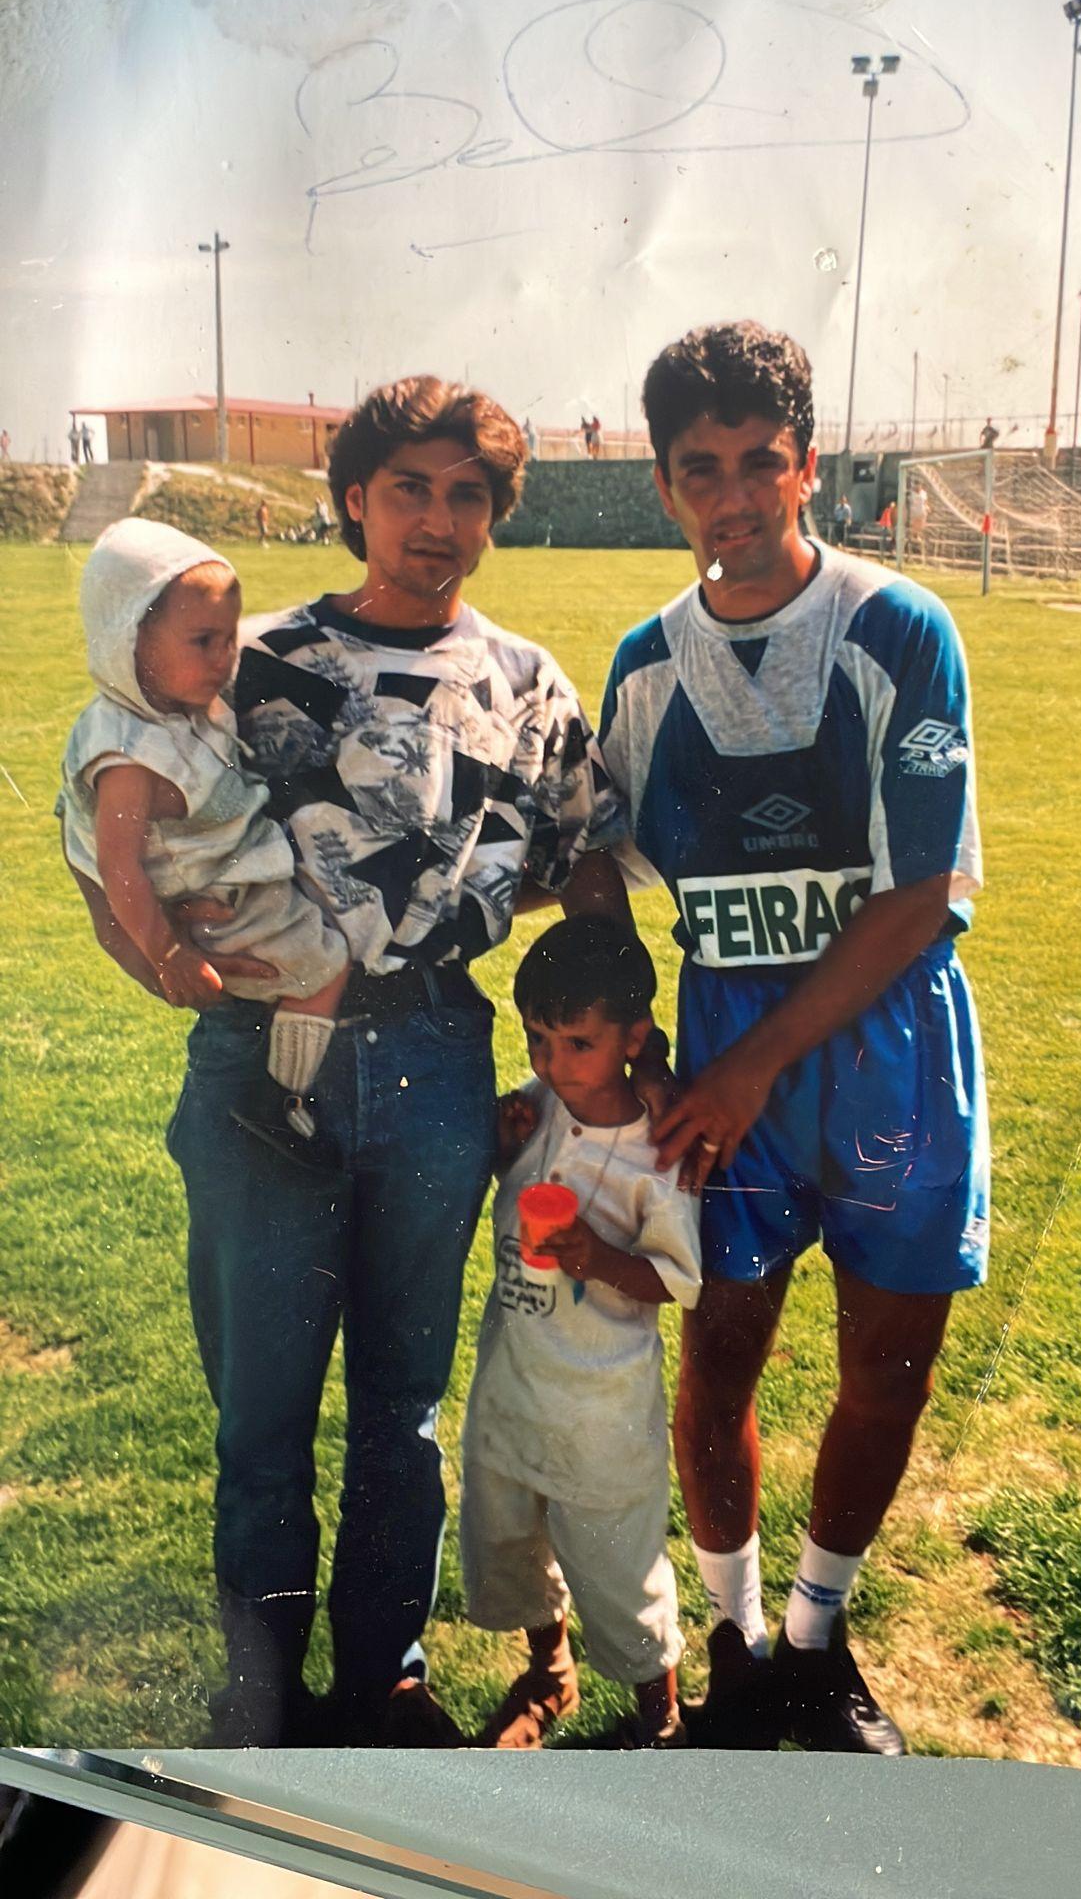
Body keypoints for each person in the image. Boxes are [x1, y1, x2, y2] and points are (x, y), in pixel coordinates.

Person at [69, 376, 640, 1749]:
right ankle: (260, 1688)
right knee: (261, 1413)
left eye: (466, 495)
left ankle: (383, 1677)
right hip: (263, 1062)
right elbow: (101, 834)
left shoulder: (527, 687)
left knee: (402, 1404)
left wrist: (624, 1043)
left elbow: (588, 869)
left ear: (496, 516)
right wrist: (166, 966)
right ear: (352, 502)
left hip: (438, 1061)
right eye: (408, 489)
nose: (435, 521)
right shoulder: (241, 659)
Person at [599, 322, 988, 1756]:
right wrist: (636, 1045)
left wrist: (752, 1065)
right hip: (721, 1048)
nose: (736, 496)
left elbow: (922, 896)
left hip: (884, 1048)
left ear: (807, 464)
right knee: (726, 1349)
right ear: (663, 486)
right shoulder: (645, 663)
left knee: (889, 1363)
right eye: (701, 470)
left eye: (762, 462)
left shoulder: (897, 629)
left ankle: (821, 1642)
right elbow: (601, 871)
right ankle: (737, 1640)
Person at [461, 916, 701, 1750]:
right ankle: (550, 1669)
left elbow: (673, 1279)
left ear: (635, 1038)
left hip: (602, 1408)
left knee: (617, 1566)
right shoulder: (539, 1110)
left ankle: (658, 1712)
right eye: (537, 1037)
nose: (552, 1063)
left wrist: (598, 1255)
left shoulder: (655, 1152)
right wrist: (497, 1141)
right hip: (517, 1383)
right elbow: (501, 1157)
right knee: (516, 1538)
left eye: (577, 1043)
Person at [59, 519, 351, 1152]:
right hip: (217, 905)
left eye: (228, 639)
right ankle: (284, 1100)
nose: (225, 659)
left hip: (230, 881)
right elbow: (119, 869)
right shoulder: (129, 752)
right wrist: (168, 953)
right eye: (203, 641)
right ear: (129, 641)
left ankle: (277, 1088)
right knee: (324, 967)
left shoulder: (180, 710)